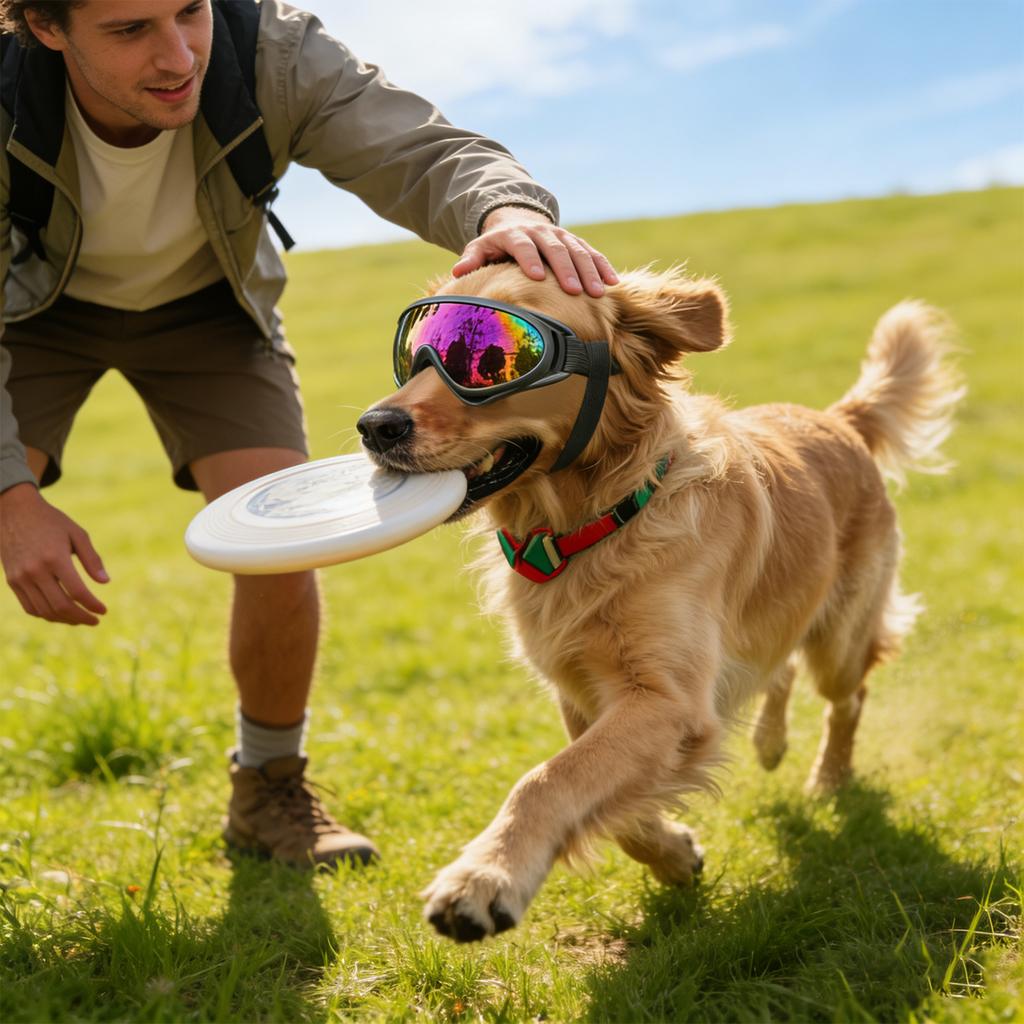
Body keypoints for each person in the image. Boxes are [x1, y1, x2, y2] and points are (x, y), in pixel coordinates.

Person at [0, 0, 618, 869]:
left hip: (210, 313)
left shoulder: (274, 52)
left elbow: (421, 149)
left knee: (280, 538)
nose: (179, 54)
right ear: (45, 25)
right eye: (131, 29)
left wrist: (503, 213)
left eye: (189, 10)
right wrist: (10, 497)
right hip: (27, 318)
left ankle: (267, 790)